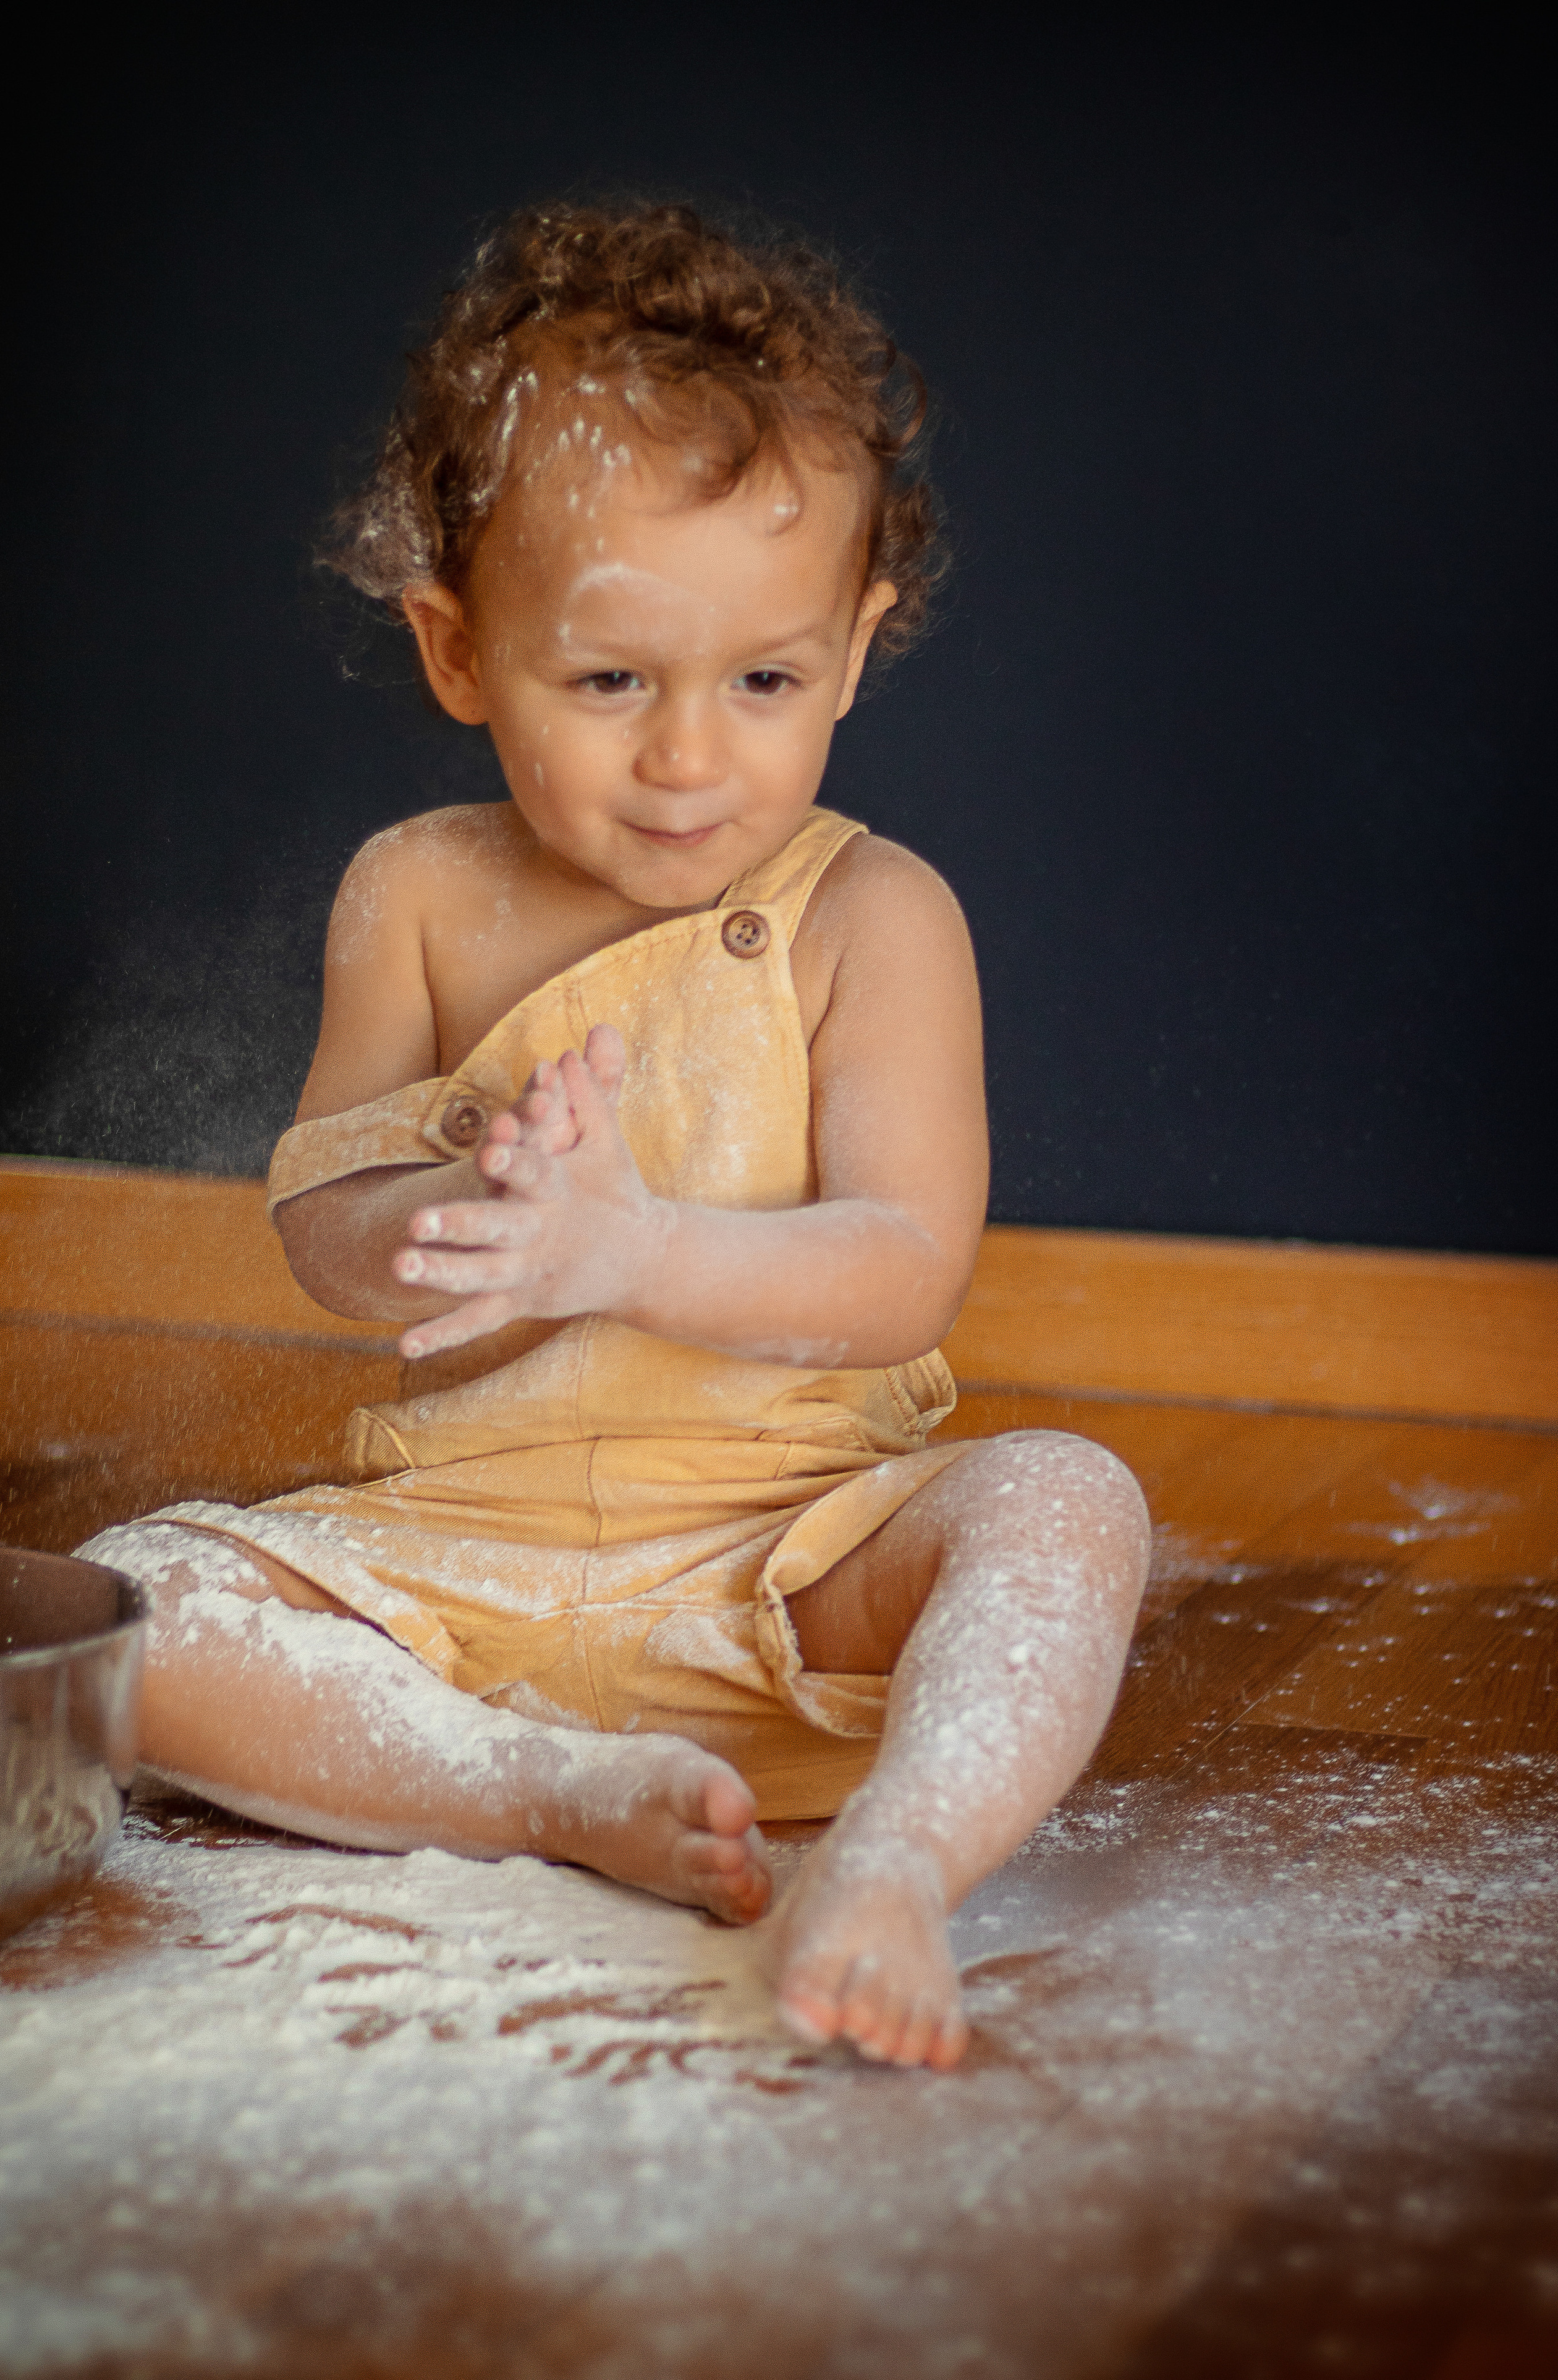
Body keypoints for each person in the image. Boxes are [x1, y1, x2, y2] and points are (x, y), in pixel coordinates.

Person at [83, 203, 1149, 2072]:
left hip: (791, 1565)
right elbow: (325, 1222)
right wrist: (465, 1213)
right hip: (450, 1583)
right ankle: (538, 1790)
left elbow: (905, 1270)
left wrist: (634, 1250)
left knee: (1065, 1501)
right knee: (131, 1596)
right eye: (609, 681)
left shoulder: (871, 915)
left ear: (854, 645)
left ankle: (893, 1857)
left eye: (763, 680)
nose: (688, 757)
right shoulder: (410, 893)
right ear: (456, 648)